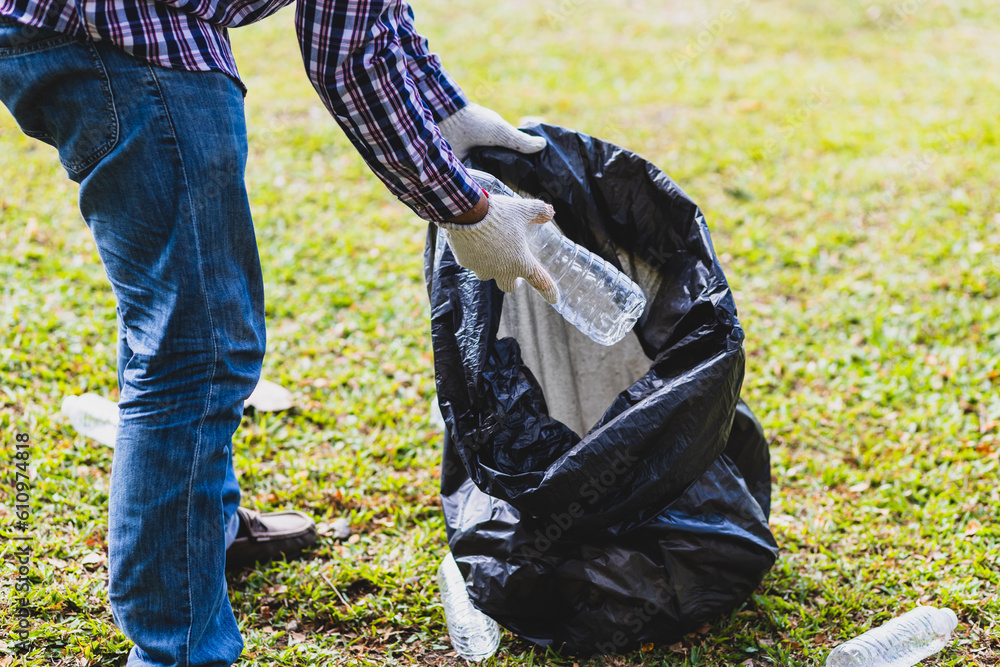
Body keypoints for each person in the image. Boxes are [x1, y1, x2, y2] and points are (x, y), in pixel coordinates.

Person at [0, 0, 558, 664]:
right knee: (194, 352)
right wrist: (467, 211)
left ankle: (201, 535)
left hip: (86, 25)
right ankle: (176, 648)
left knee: (181, 318)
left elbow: (369, 15)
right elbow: (345, 60)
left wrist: (441, 109)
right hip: (123, 46)